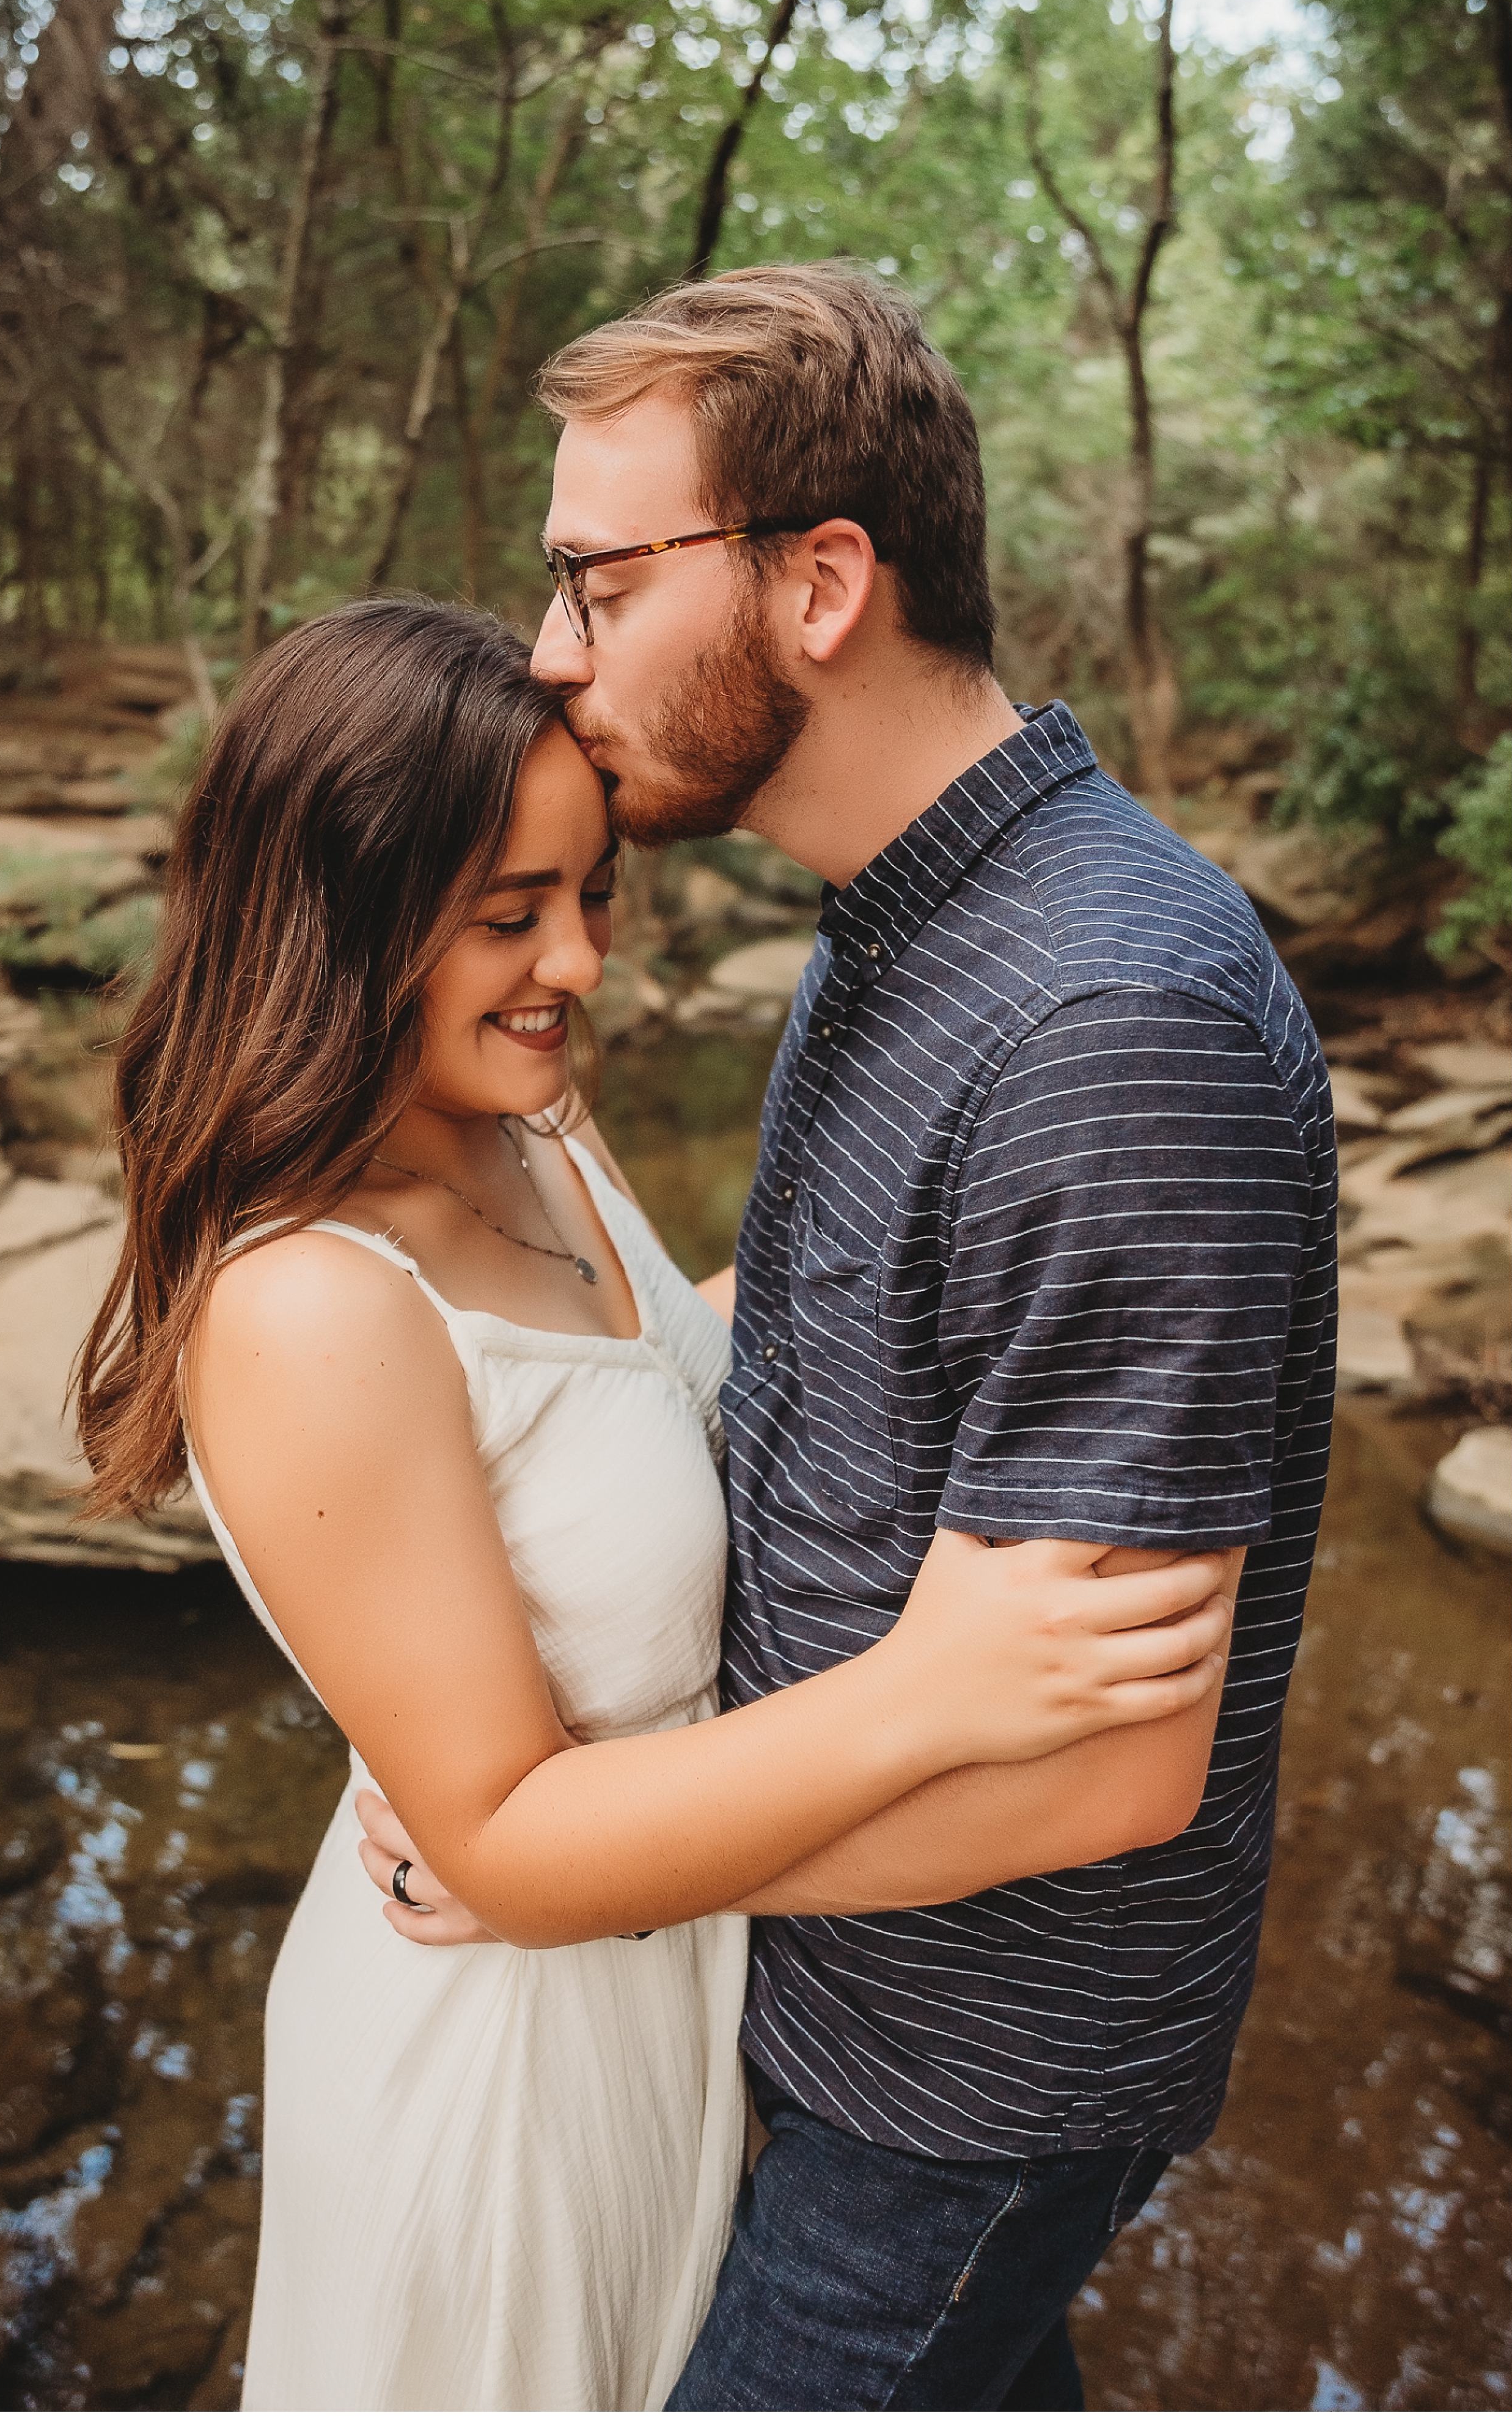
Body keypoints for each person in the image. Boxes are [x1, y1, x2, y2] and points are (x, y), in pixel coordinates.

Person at [76, 593, 1238, 2414]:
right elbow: (506, 1840)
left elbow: (659, 1371)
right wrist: (935, 1688)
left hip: (672, 2000)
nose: (581, 963)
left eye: (592, 892)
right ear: (345, 920)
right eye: (507, 916)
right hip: (502, 2085)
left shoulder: (529, 1126)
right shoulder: (309, 1302)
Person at [365, 260, 1337, 2410]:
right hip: (829, 2006)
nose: (549, 648)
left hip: (964, 2081)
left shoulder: (1108, 1022)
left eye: (598, 580)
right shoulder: (906, 920)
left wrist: (567, 1864)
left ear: (820, 582)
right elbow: (830, 1325)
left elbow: (1104, 1764)